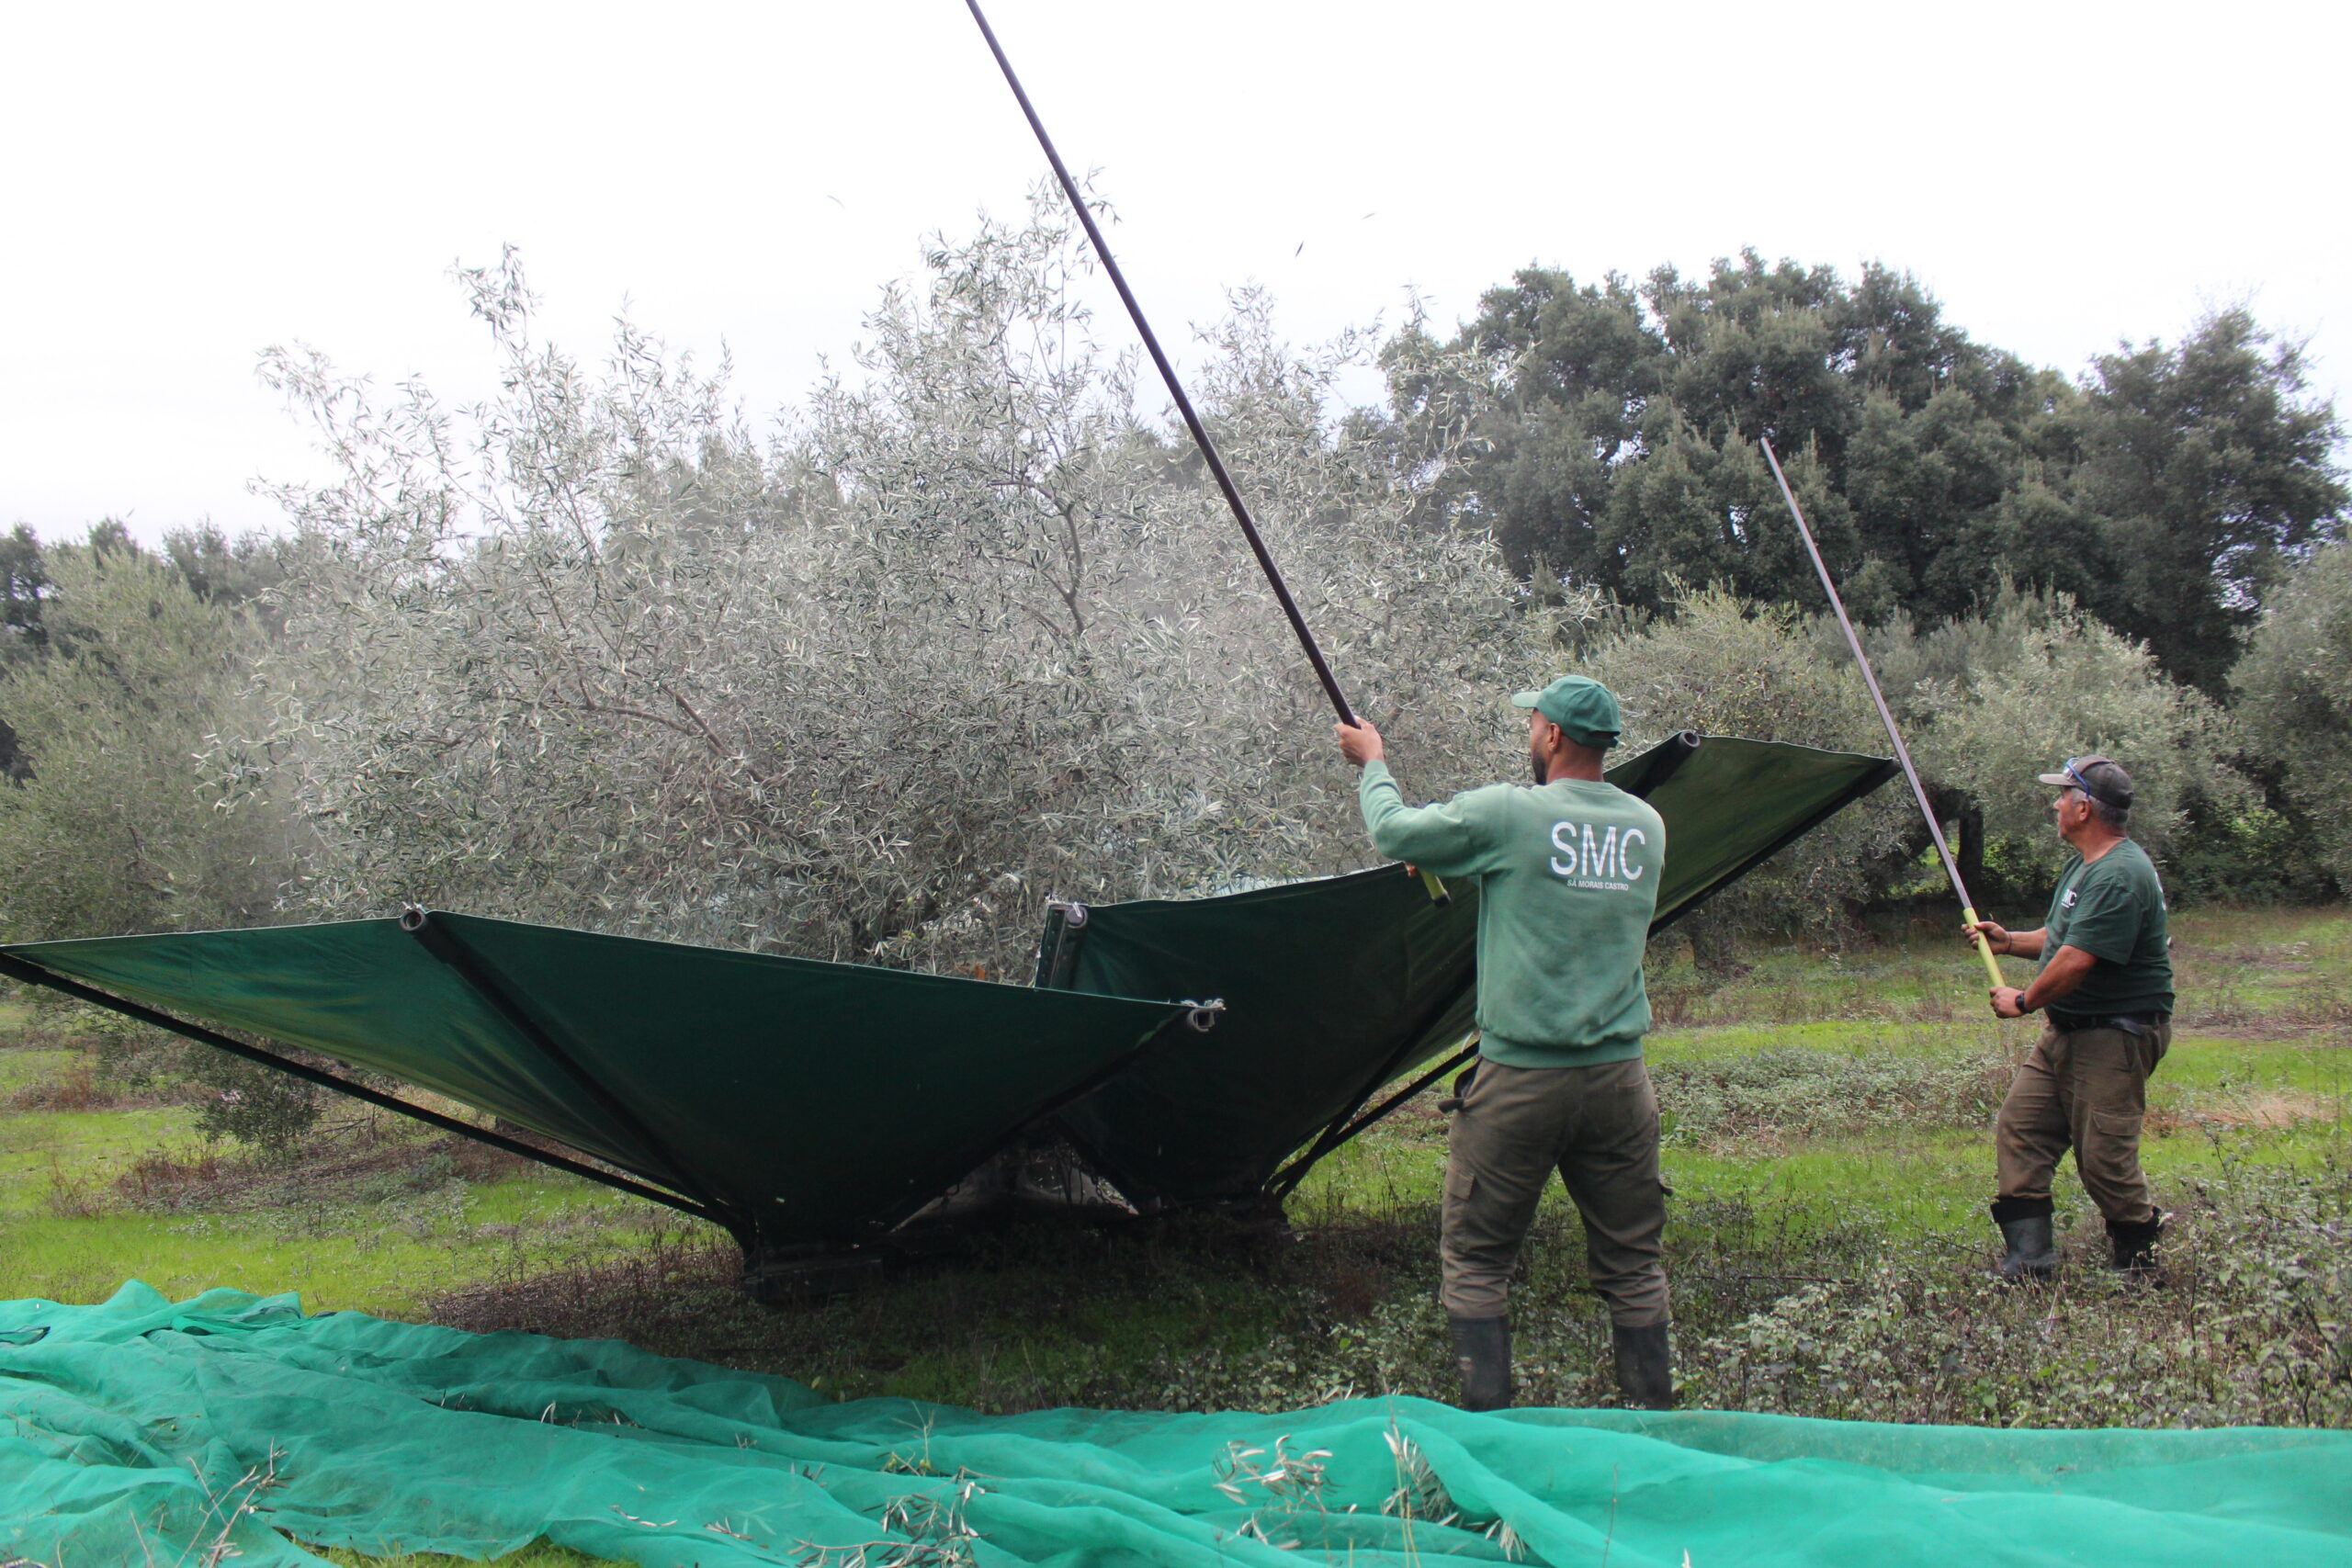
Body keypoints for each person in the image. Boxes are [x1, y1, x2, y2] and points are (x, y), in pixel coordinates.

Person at [1334, 675, 1670, 1411]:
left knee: (1479, 1261)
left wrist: (1374, 761)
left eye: (1534, 722)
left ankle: (1492, 1437)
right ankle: (1655, 1430)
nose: (1530, 734)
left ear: (1552, 736)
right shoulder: (1648, 826)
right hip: (1620, 1081)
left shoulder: (1507, 813)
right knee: (1635, 1264)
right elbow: (1560, 880)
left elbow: (1394, 831)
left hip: (1520, 1080)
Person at [1963, 755, 2175, 1281]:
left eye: (2062, 796)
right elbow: (2062, 939)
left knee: (2104, 1157)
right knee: (2022, 1131)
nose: (2054, 804)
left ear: (2083, 808)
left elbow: (2078, 961)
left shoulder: (2120, 875)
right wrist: (2009, 941)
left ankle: (2139, 1266)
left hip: (2115, 1035)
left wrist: (2024, 1000)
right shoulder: (2085, 865)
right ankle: (2029, 1260)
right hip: (2069, 1031)